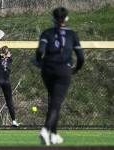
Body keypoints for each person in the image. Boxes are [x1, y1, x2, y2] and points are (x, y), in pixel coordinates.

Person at [35, 7, 84, 145]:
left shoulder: (47, 33)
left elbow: (40, 51)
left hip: (48, 69)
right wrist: (76, 69)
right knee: (56, 102)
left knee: (54, 102)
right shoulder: (72, 34)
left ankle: (54, 135)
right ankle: (45, 130)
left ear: (53, 19)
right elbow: (81, 57)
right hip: (63, 70)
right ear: (66, 19)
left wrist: (40, 63)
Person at [0, 30, 19, 127]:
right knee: (9, 101)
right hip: (6, 81)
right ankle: (14, 121)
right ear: (8, 53)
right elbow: (8, 55)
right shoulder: (10, 59)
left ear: (2, 53)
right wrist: (7, 53)